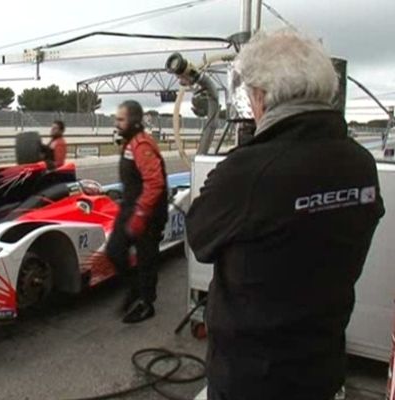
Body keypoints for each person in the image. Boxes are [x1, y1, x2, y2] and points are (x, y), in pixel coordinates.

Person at [186, 30, 385, 400]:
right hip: (322, 368)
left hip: (253, 378)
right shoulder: (361, 164)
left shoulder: (248, 172)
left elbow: (200, 238)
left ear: (261, 96)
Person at [106, 100, 168, 323]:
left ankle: (146, 303)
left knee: (146, 259)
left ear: (133, 121)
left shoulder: (141, 145)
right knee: (114, 250)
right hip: (131, 206)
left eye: (120, 119)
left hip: (148, 212)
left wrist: (141, 214)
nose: (116, 123)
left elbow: (155, 183)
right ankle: (134, 288)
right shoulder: (130, 143)